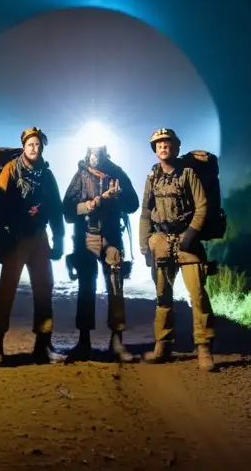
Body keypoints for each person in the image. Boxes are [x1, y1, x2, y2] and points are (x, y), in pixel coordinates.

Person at [139, 128, 216, 371]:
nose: (163, 147)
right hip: (160, 240)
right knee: (163, 296)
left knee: (198, 295)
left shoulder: (188, 173)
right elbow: (145, 212)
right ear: (155, 150)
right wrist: (144, 245)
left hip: (186, 239)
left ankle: (203, 348)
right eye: (159, 144)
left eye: (167, 143)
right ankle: (163, 344)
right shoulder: (152, 176)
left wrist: (191, 235)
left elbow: (202, 206)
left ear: (176, 147)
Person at [0, 127, 66, 365]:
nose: (35, 148)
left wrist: (59, 239)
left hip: (40, 237)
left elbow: (55, 209)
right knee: (6, 290)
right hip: (15, 238)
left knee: (44, 289)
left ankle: (44, 345)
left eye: (39, 145)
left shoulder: (46, 174)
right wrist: (1, 239)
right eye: (31, 144)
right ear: (24, 146)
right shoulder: (10, 171)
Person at [62, 145, 139, 362]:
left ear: (105, 155)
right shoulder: (81, 174)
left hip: (112, 237)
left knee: (115, 287)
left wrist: (120, 196)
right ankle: (84, 341)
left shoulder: (117, 173)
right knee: (86, 288)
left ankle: (116, 341)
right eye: (92, 153)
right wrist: (94, 203)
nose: (95, 157)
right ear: (88, 155)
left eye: (99, 153)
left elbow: (133, 205)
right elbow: (67, 210)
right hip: (87, 238)